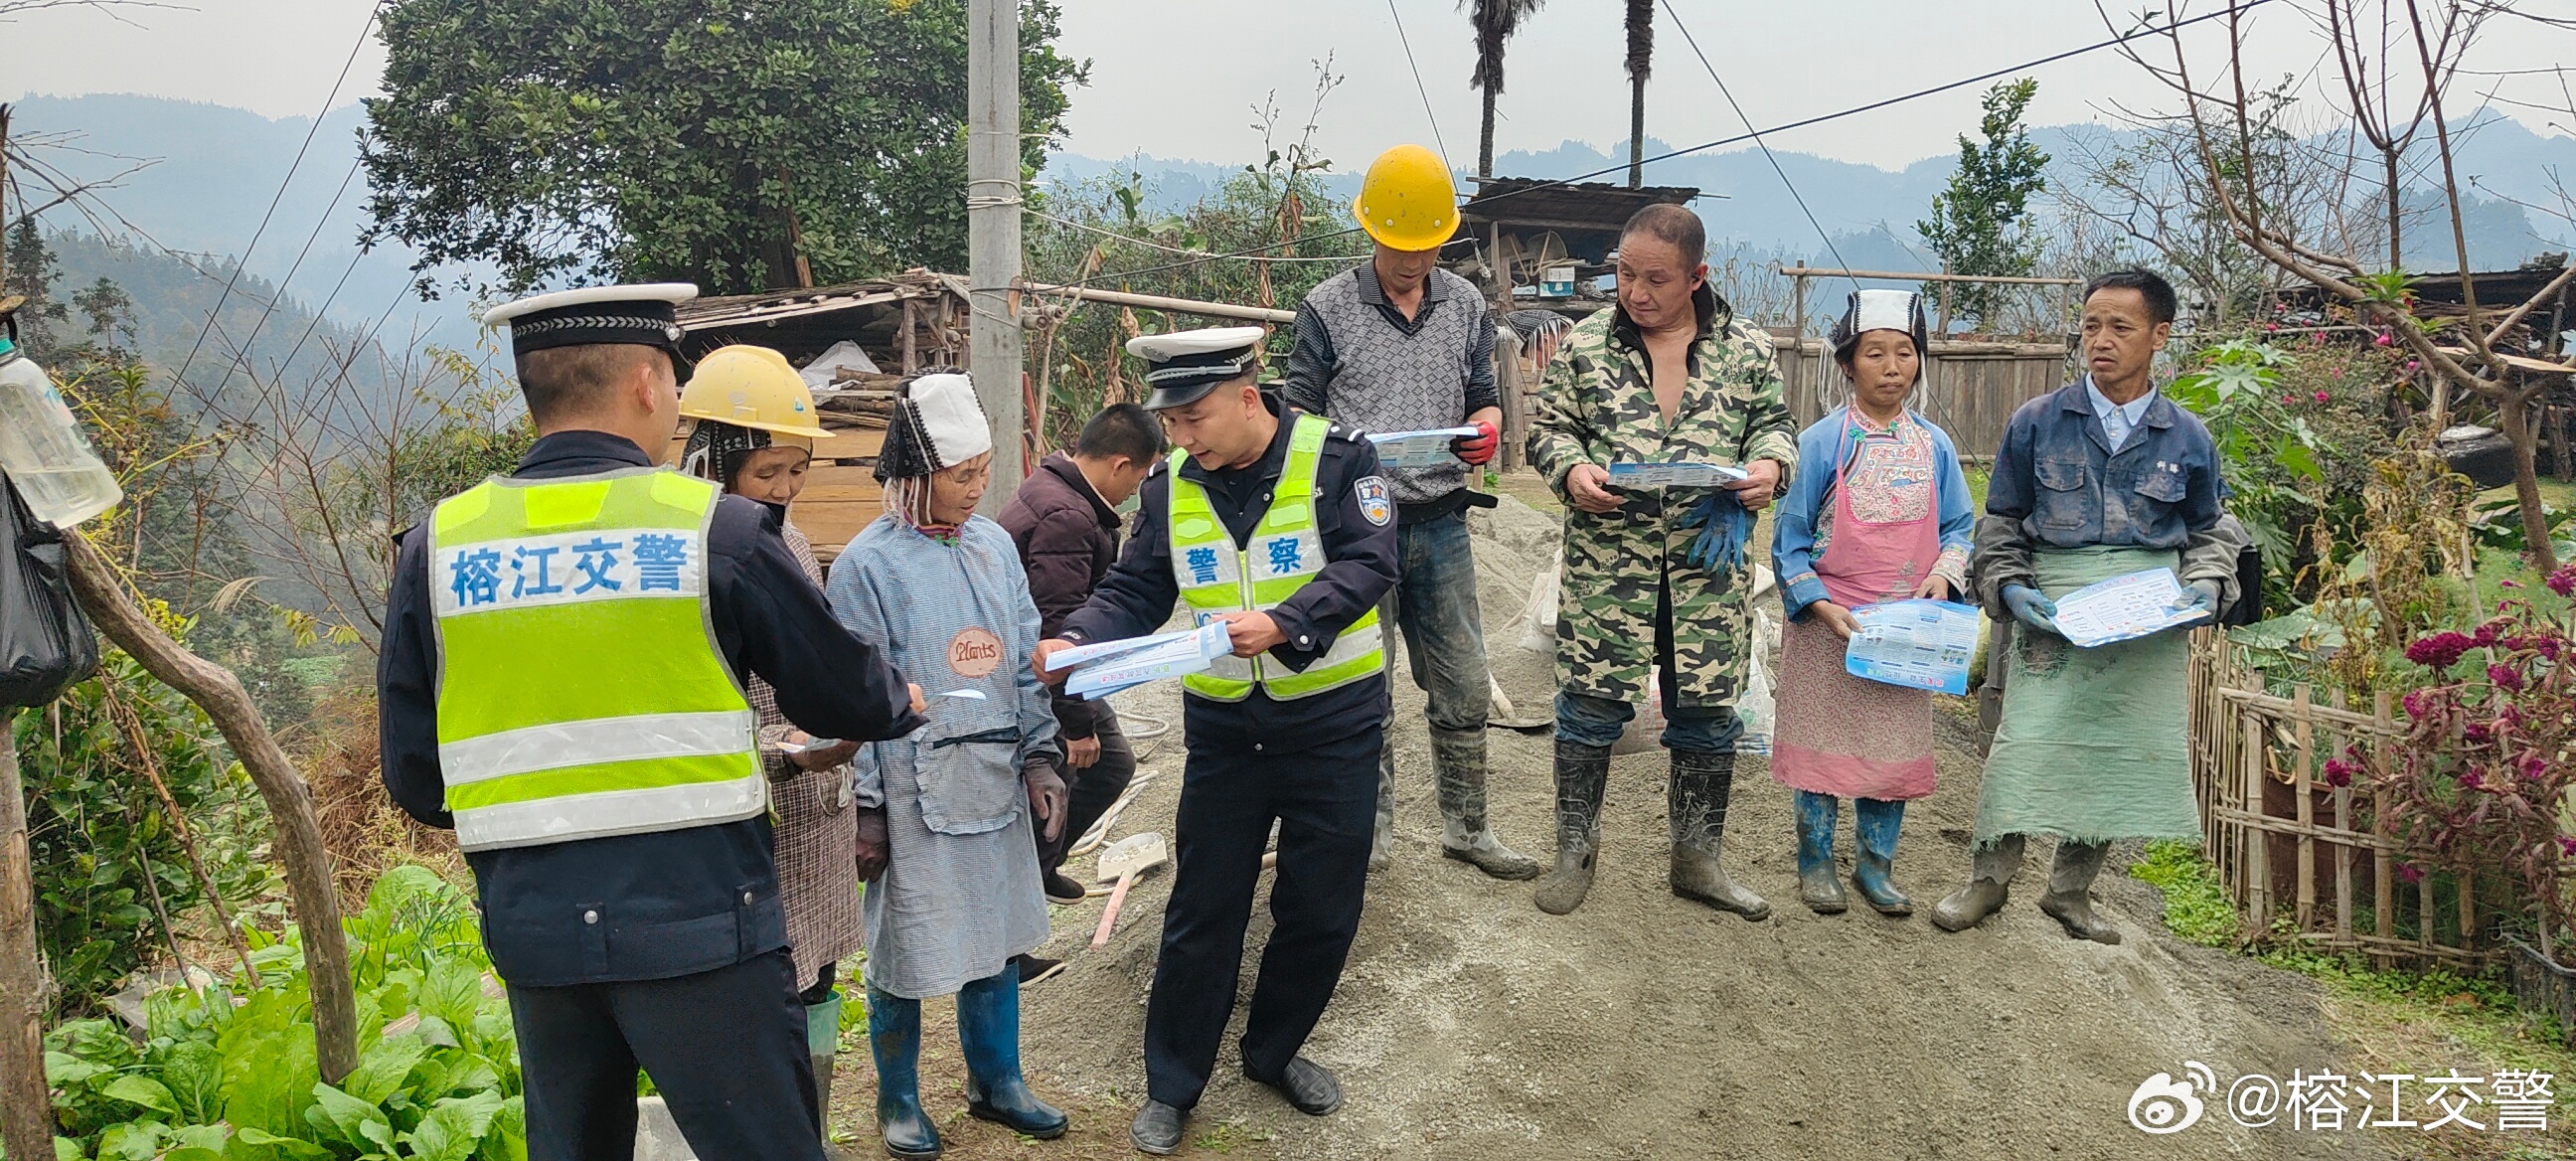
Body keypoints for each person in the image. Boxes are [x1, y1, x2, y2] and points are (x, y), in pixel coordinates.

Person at [377, 284, 925, 1161]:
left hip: (538, 934)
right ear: (645, 382)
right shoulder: (716, 530)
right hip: (703, 927)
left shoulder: (438, 546)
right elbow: (845, 698)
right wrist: (900, 700)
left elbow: (418, 780)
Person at [1034, 327, 1398, 1155]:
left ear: (1247, 395)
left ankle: (1273, 1053)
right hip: (1228, 734)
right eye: (1173, 423)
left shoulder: (1341, 460)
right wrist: (1078, 639)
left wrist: (1286, 622)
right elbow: (1136, 585)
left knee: (1319, 904)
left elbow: (1371, 564)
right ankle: (1173, 1085)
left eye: (1196, 417)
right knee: (1203, 908)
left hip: (1332, 724)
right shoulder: (1170, 490)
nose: (1183, 436)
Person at [1931, 268, 2246, 943]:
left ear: (2160, 336)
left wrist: (2207, 585)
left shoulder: (2187, 437)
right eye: (2090, 326)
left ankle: (2071, 892)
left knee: (2114, 750)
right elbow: (2002, 522)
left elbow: (2211, 529)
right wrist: (2013, 588)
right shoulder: (2037, 423)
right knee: (2023, 745)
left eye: (2120, 328)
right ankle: (1987, 881)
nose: (2100, 341)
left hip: (2146, 620)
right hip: (2053, 610)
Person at [1524, 203, 1798, 919]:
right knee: (1587, 710)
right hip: (1612, 566)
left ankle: (1697, 861)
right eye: (1624, 274)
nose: (1636, 292)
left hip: (1707, 571)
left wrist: (1770, 465)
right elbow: (1550, 431)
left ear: (1697, 277)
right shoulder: (1585, 347)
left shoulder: (1747, 349)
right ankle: (1574, 853)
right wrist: (1572, 472)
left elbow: (1774, 426)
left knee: (1708, 715)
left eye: (1655, 279)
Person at [823, 370, 1071, 1159]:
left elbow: (1026, 661)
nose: (977, 489)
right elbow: (858, 696)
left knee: (996, 937)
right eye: (962, 475)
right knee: (905, 946)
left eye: (982, 472)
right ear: (915, 473)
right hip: (909, 788)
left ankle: (997, 1082)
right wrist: (866, 809)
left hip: (994, 772)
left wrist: (1041, 757)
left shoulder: (996, 546)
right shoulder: (867, 566)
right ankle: (898, 1098)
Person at [1281, 142, 1531, 880]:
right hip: (1359, 533)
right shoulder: (1326, 308)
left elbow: (1482, 391)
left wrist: (1486, 428)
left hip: (1444, 521)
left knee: (1461, 679)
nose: (1412, 261)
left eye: (1426, 247)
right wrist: (1342, 451)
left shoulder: (1464, 305)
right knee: (1365, 685)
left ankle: (1467, 828)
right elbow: (1298, 416)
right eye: (1398, 246)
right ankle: (1371, 835)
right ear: (1371, 234)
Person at [670, 342, 868, 1134]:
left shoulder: (782, 542)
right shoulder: (676, 553)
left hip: (812, 808)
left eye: (797, 471)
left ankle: (810, 1127)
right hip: (743, 816)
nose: (785, 491)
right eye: (767, 473)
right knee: (753, 998)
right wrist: (779, 743)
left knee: (815, 982)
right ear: (716, 457)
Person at [1767, 290, 1975, 916]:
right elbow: (1789, 542)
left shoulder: (1935, 446)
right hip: (1831, 625)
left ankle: (1875, 868)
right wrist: (1822, 607)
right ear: (1848, 364)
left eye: (1905, 353)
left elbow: (1961, 528)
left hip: (1907, 629)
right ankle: (1816, 864)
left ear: (1920, 362)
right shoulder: (1820, 443)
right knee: (1818, 752)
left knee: (1891, 754)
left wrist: (1944, 574)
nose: (1892, 366)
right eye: (1874, 353)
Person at [998, 404, 1164, 921]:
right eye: (1140, 477)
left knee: (1106, 765)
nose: (1136, 491)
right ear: (1120, 465)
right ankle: (1019, 908)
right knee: (1086, 769)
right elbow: (1057, 628)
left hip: (1041, 672)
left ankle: (1037, 871)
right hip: (1043, 679)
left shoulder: (1049, 487)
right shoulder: (1068, 517)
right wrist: (1076, 726)